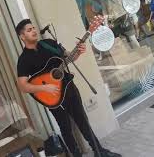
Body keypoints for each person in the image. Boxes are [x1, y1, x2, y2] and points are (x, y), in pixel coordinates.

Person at [16, 18, 121, 157]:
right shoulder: (23, 60)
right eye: (29, 30)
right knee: (66, 128)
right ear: (22, 36)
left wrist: (78, 51)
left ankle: (99, 151)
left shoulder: (49, 43)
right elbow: (23, 86)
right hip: (52, 97)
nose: (34, 31)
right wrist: (44, 88)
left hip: (69, 88)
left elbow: (69, 58)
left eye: (33, 28)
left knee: (83, 121)